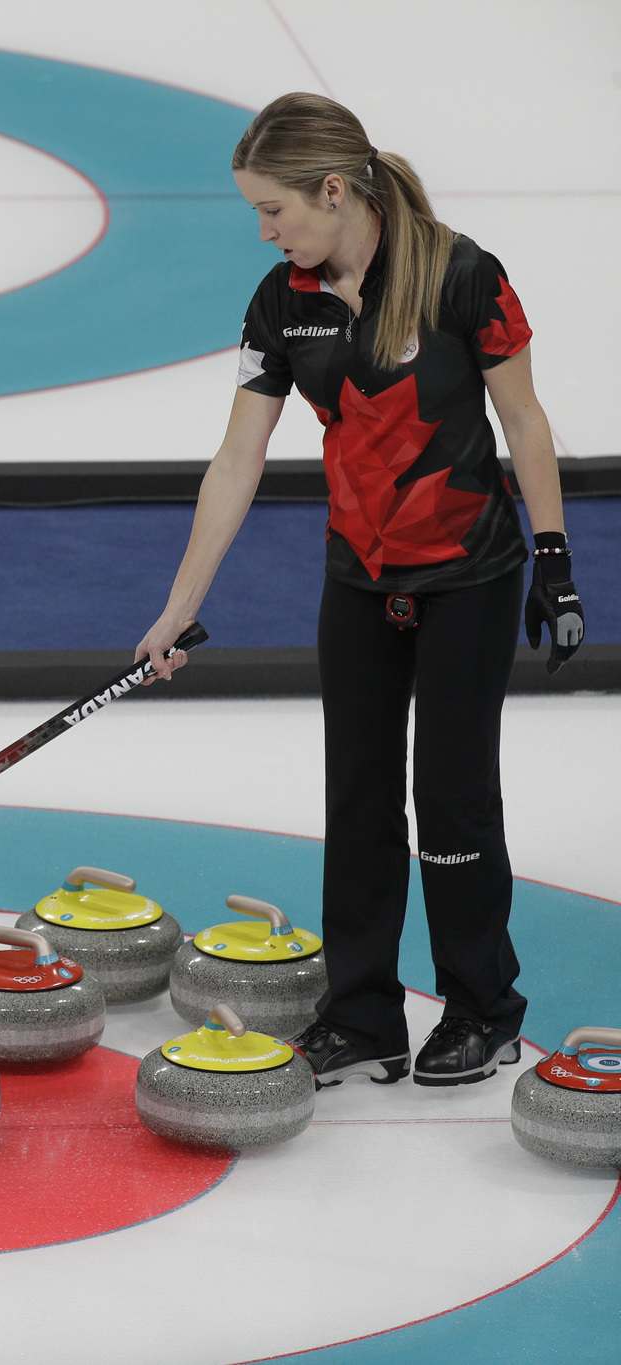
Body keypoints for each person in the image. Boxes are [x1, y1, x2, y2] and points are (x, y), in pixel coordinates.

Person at [135, 92, 584, 1092]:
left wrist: (551, 561)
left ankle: (479, 1009)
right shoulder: (278, 301)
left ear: (331, 191)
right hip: (358, 577)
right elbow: (236, 459)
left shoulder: (461, 276)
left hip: (467, 574)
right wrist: (176, 606)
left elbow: (525, 425)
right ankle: (362, 1015)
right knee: (359, 801)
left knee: (452, 801)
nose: (263, 231)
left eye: (273, 211)